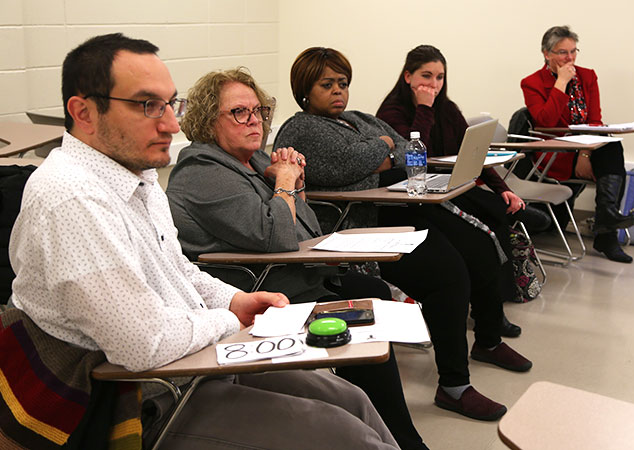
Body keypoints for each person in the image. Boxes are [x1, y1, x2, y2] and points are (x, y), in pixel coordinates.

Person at [8, 33, 399, 450]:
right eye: (148, 106)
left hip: (190, 362)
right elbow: (143, 345)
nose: (172, 124)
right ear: (83, 112)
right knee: (346, 436)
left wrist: (234, 300)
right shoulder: (71, 196)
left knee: (352, 400)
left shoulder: (136, 177)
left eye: (169, 104)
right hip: (139, 396)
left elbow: (177, 269)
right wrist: (234, 320)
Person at [166, 68, 428, 450]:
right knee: (370, 310)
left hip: (292, 278)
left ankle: (389, 429)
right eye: (239, 112)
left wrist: (293, 183)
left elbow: (305, 228)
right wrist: (284, 182)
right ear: (208, 120)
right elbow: (277, 237)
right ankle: (398, 436)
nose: (254, 119)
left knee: (372, 294)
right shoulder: (202, 172)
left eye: (258, 110)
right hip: (258, 293)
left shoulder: (251, 161)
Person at [275, 47, 533, 422]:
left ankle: (487, 342)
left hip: (402, 203)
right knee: (449, 275)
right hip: (360, 224)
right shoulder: (301, 128)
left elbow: (411, 147)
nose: (337, 91)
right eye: (326, 84)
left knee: (479, 246)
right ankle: (455, 386)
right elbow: (350, 165)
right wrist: (381, 151)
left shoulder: (357, 118)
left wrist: (383, 152)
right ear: (304, 90)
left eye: (342, 83)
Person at [376, 44, 545, 311]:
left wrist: (502, 188)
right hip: (416, 196)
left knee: (496, 220)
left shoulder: (448, 108)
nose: (434, 84)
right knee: (481, 230)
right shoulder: (391, 112)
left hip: (448, 185)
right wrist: (424, 109)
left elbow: (472, 153)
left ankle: (497, 298)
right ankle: (513, 216)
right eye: (426, 76)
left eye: (440, 77)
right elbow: (413, 153)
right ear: (407, 77)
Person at [521, 25, 634, 263]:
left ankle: (606, 225)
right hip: (556, 153)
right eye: (562, 52)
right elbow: (545, 123)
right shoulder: (531, 83)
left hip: (585, 149)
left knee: (613, 146)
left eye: (573, 51)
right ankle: (607, 233)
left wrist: (585, 153)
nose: (570, 58)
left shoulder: (588, 76)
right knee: (610, 158)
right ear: (546, 53)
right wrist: (561, 83)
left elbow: (595, 121)